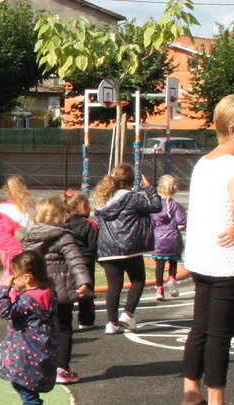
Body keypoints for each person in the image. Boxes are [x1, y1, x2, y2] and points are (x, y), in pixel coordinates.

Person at [180, 94, 234, 405]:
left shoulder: (206, 162)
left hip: (203, 257)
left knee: (201, 327)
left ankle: (190, 395)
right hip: (228, 260)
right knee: (220, 335)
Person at [17, 197, 93, 384]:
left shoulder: (27, 236)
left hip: (36, 291)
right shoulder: (63, 235)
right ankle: (61, 369)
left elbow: (23, 262)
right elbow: (75, 261)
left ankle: (36, 366)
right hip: (60, 292)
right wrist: (84, 282)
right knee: (64, 329)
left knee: (38, 328)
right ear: (61, 215)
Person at [0, 251, 61, 405]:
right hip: (42, 351)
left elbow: (5, 312)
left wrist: (3, 290)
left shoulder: (26, 300)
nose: (12, 278)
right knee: (21, 384)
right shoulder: (49, 294)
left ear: (27, 277)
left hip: (25, 353)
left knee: (27, 390)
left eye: (15, 274)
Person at [92, 165, 161, 333]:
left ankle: (111, 323)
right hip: (130, 247)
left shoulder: (103, 199)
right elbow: (156, 206)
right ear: (132, 181)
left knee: (113, 285)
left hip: (107, 248)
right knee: (138, 280)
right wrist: (150, 189)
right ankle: (128, 314)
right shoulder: (133, 198)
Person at [0, 176, 32, 281]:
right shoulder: (29, 207)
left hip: (6, 245)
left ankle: (5, 290)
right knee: (21, 268)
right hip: (24, 244)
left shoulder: (2, 208)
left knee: (9, 270)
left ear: (7, 191)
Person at [63, 193, 99, 328]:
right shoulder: (90, 224)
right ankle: (85, 320)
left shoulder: (65, 223)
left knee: (69, 289)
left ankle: (66, 318)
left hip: (69, 261)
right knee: (86, 290)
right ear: (84, 207)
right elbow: (93, 245)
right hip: (86, 262)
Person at [150, 174, 188, 301]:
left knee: (159, 266)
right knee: (173, 261)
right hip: (173, 237)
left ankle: (159, 291)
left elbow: (151, 221)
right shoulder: (174, 205)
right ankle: (172, 279)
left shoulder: (156, 205)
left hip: (158, 239)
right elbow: (181, 220)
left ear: (160, 189)